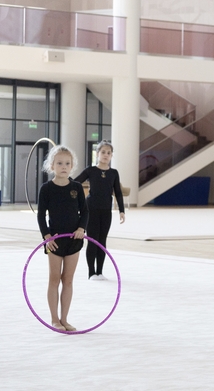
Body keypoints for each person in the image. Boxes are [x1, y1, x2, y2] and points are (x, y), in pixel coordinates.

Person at [37, 145, 89, 332]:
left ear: (72, 166)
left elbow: (84, 212)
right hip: (55, 241)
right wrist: (47, 236)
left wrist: (82, 228)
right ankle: (54, 319)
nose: (63, 166)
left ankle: (65, 319)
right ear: (52, 165)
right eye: (59, 163)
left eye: (67, 163)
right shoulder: (46, 189)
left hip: (74, 239)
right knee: (54, 279)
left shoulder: (76, 187)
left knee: (68, 280)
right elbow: (41, 215)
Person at [74, 140, 126, 280]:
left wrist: (122, 210)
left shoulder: (114, 173)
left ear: (111, 156)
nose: (105, 155)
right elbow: (76, 183)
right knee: (92, 240)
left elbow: (118, 192)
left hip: (106, 210)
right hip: (91, 209)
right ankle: (91, 272)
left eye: (108, 153)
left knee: (102, 241)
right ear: (97, 154)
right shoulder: (90, 170)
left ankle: (100, 272)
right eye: (103, 152)